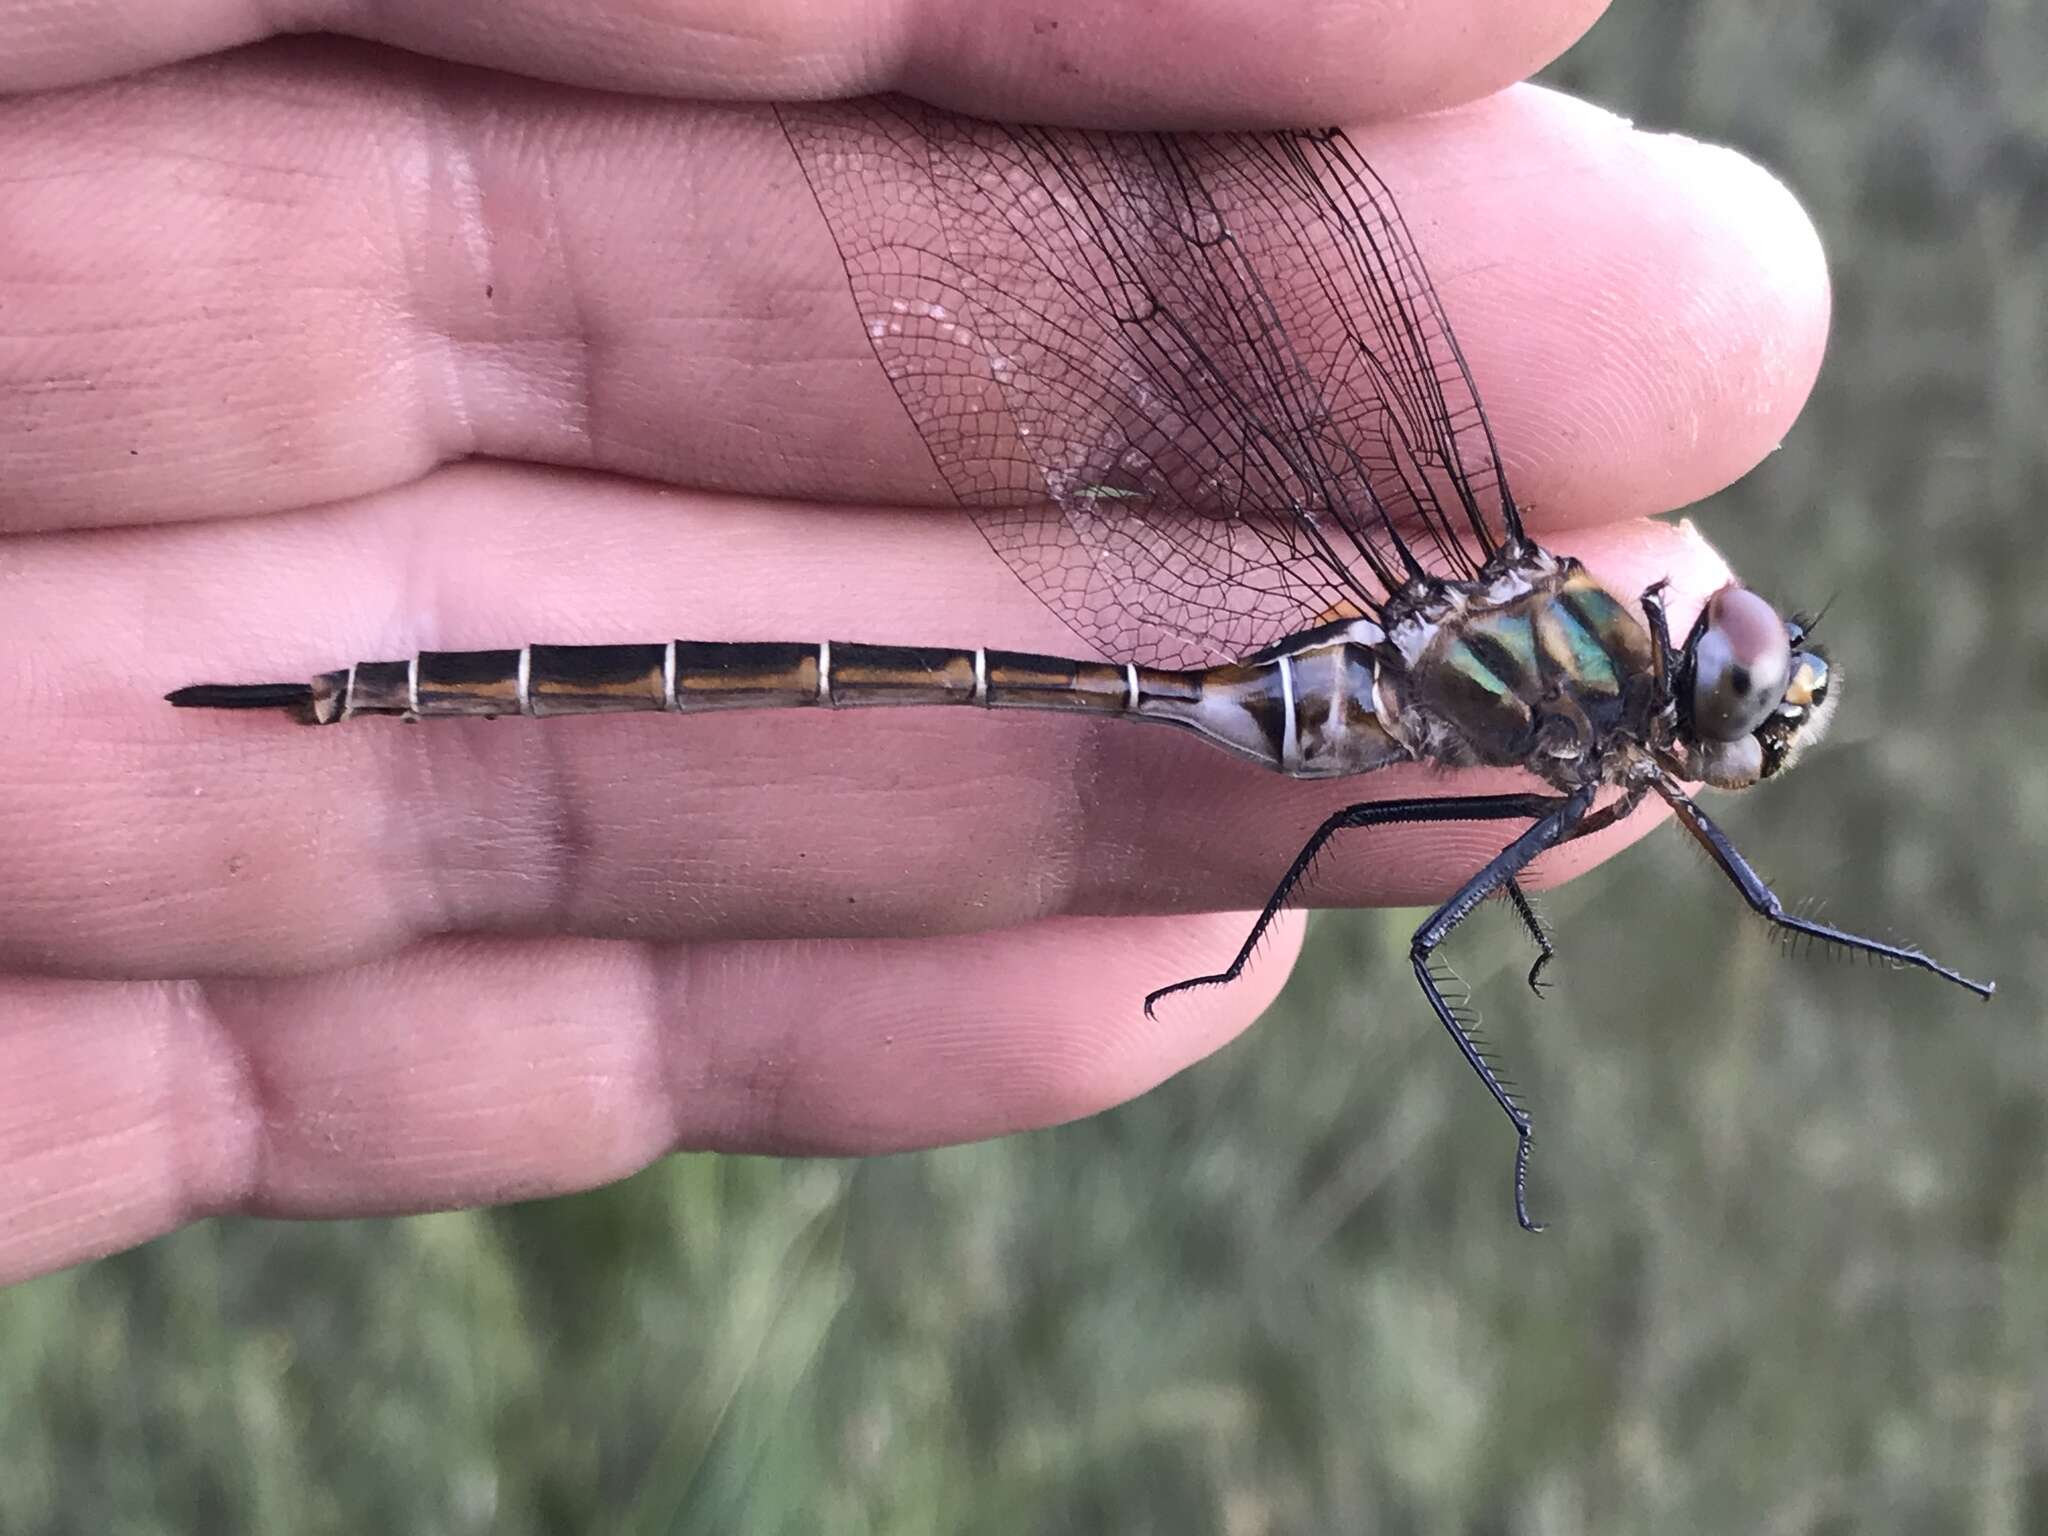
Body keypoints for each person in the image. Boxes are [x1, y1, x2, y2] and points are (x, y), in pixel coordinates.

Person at [0, 0, 1829, 1282]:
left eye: (1756, 699)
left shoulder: (1592, 707)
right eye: (1752, 697)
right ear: (1687, 684)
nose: (1744, 715)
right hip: (1269, 678)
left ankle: (341, 688)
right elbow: (1439, 878)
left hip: (1276, 681)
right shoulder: (1588, 711)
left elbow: (1435, 854)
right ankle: (354, 692)